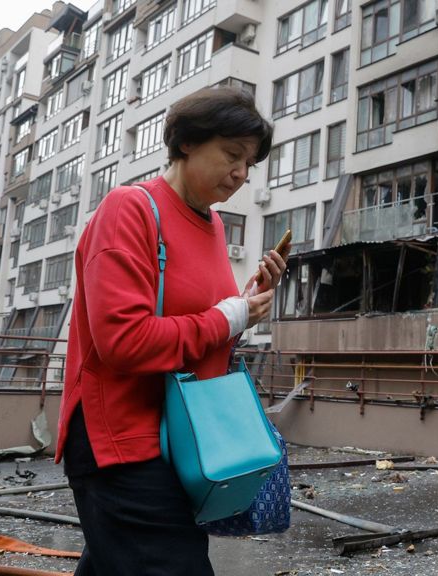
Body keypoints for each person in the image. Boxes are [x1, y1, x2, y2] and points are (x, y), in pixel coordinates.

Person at [54, 86, 281, 576]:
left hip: (183, 439)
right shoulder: (130, 209)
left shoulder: (214, 226)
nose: (241, 173)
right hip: (124, 439)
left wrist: (246, 307)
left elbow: (200, 334)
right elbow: (124, 341)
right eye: (231, 154)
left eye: (250, 164)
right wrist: (229, 317)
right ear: (186, 143)